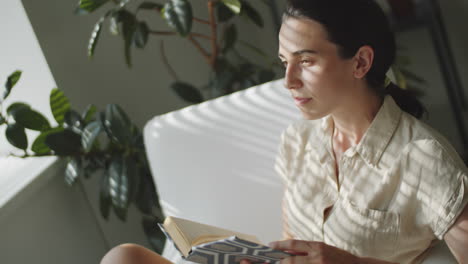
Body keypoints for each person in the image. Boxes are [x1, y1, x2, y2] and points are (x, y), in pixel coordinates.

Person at [100, 0, 468, 263]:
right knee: (124, 257)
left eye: (306, 61)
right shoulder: (299, 141)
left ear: (360, 62)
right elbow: (293, 240)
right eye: (284, 63)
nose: (288, 81)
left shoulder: (425, 159)